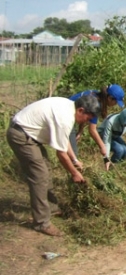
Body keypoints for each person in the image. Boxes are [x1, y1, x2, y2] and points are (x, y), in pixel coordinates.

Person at [6, 95, 100, 236]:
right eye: (87, 118)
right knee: (40, 175)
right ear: (81, 110)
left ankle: (52, 208)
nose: (86, 122)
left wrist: (74, 160)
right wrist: (74, 173)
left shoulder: (68, 107)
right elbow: (61, 155)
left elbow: (64, 140)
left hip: (30, 135)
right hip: (20, 135)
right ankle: (41, 223)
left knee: (46, 168)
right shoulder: (65, 118)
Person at [68, 84, 125, 161]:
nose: (115, 105)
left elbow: (84, 114)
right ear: (110, 98)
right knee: (73, 155)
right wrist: (102, 146)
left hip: (70, 115)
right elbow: (92, 130)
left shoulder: (95, 94)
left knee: (69, 150)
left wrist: (80, 131)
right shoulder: (96, 103)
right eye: (115, 102)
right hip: (65, 117)